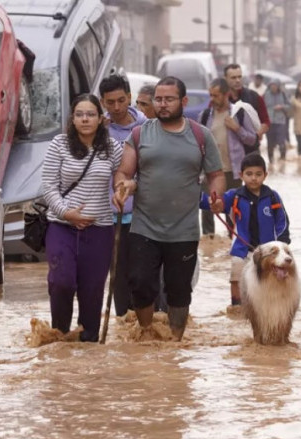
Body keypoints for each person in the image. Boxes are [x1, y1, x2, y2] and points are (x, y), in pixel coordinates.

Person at [113, 76, 225, 341]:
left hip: (183, 230)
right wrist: (123, 186)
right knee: (140, 284)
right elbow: (124, 171)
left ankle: (175, 341)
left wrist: (216, 195)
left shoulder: (200, 135)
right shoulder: (140, 134)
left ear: (183, 101)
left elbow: (216, 174)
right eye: (158, 100)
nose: (162, 105)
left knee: (179, 291)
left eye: (169, 99)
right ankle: (147, 332)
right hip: (144, 227)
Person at [41, 94, 123, 342]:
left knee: (92, 291)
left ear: (100, 119)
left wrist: (121, 191)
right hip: (61, 226)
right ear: (72, 119)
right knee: (61, 282)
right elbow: (48, 186)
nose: (85, 119)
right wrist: (67, 213)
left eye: (90, 114)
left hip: (99, 230)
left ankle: (88, 344)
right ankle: (60, 336)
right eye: (79, 114)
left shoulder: (113, 148)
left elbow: (125, 176)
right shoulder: (59, 144)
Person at [200, 153, 290, 309]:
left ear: (265, 175)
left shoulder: (273, 197)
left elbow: (283, 222)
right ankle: (236, 307)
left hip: (268, 252)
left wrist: (282, 243)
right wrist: (198, 196)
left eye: (258, 174)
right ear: (241, 175)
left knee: (271, 279)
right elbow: (214, 204)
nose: (253, 178)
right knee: (236, 277)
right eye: (249, 174)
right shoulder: (234, 196)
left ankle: (270, 308)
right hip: (242, 249)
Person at [98, 74, 147, 317]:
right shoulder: (97, 131)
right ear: (102, 102)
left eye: (121, 100)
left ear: (130, 97)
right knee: (117, 276)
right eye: (110, 102)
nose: (116, 108)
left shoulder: (146, 128)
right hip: (110, 216)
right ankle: (123, 325)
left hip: (143, 215)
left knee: (143, 275)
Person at [199, 78, 257, 237]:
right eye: (210, 95)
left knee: (232, 209)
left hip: (233, 170)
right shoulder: (205, 115)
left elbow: (252, 139)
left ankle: (233, 242)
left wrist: (237, 128)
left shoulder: (239, 113)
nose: (212, 99)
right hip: (210, 170)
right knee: (207, 209)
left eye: (216, 95)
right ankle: (209, 244)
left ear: (227, 95)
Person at [224, 63, 269, 153]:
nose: (238, 80)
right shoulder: (221, 100)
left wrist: (256, 136)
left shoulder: (254, 97)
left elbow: (265, 122)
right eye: (233, 78)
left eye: (240, 77)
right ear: (225, 79)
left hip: (250, 150)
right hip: (228, 151)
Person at [263, 79, 290, 170]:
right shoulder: (265, 95)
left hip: (280, 122)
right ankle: (271, 162)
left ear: (278, 86)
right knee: (270, 143)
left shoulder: (283, 95)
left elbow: (289, 106)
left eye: (275, 85)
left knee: (281, 142)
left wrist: (282, 107)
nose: (273, 87)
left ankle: (283, 161)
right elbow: (261, 107)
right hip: (269, 122)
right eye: (271, 85)